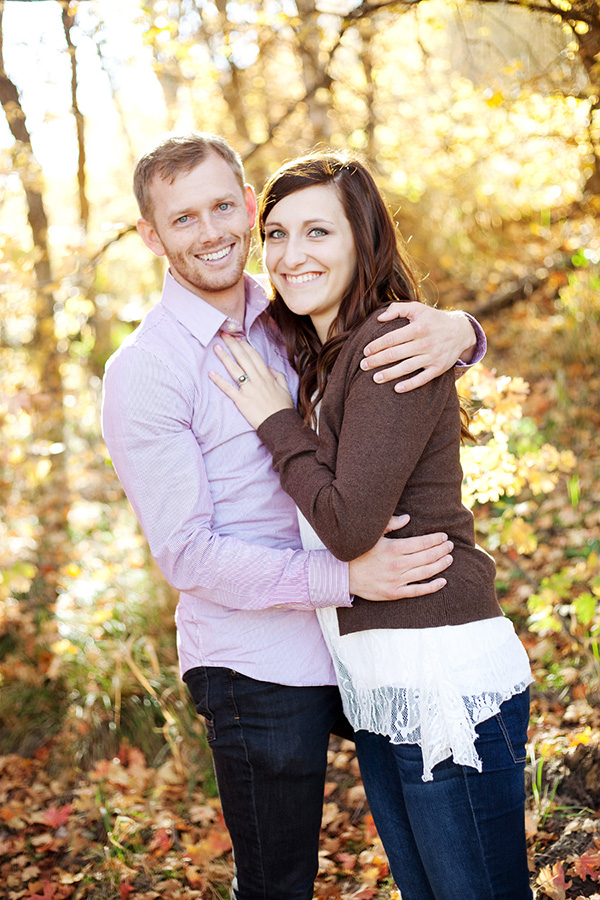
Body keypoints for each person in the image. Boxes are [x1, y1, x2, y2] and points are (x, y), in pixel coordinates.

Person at [101, 133, 488, 900]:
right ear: (151, 235)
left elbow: (387, 343)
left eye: (222, 207)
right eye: (183, 219)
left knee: (434, 849)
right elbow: (187, 554)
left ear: (250, 206)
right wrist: (344, 577)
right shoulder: (144, 372)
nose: (210, 232)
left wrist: (464, 332)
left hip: (364, 641)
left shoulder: (294, 309)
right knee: (279, 883)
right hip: (257, 664)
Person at [210, 151, 534, 900]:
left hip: (441, 676)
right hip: (384, 683)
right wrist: (468, 330)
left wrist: (274, 423)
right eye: (277, 234)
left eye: (318, 231)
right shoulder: (327, 355)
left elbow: (351, 526)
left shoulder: (389, 344)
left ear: (364, 240)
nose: (291, 255)